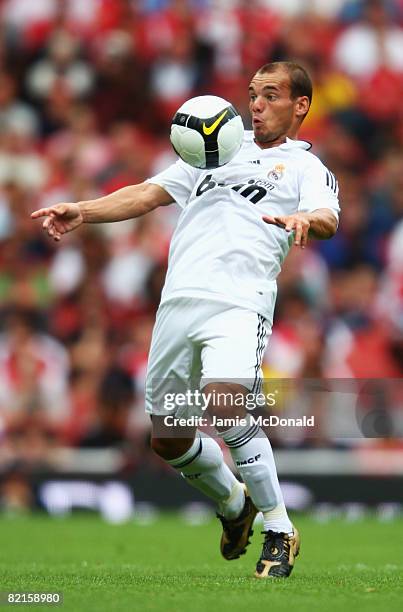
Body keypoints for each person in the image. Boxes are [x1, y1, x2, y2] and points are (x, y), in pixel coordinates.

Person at [31, 62, 339, 579]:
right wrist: (83, 210)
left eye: (270, 95)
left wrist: (306, 220)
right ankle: (233, 505)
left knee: (226, 400)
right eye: (252, 94)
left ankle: (280, 529)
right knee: (167, 437)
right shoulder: (215, 147)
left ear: (300, 105)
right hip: (178, 303)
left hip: (240, 302)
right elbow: (146, 193)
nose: (256, 104)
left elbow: (328, 217)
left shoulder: (306, 168)